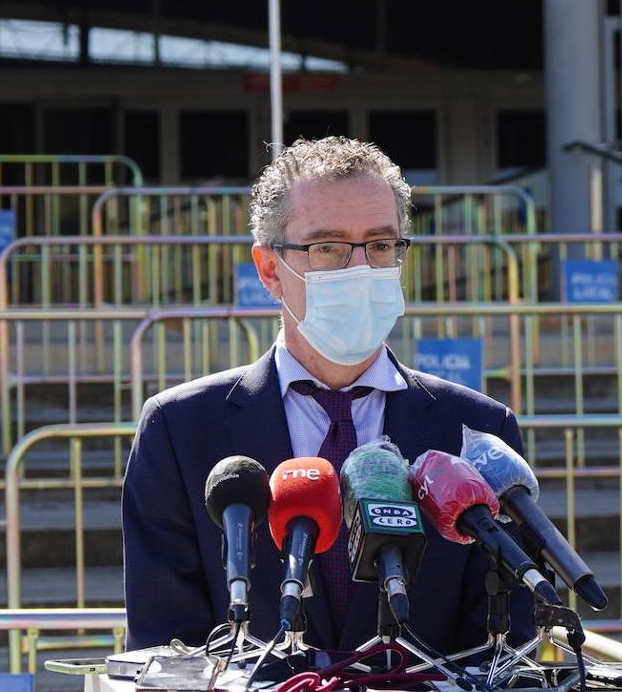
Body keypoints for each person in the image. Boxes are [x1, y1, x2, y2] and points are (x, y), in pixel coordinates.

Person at [122, 136, 533, 652]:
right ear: (271, 269)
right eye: (329, 247)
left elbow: (503, 641)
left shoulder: (477, 430)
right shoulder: (179, 430)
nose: (359, 268)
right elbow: (164, 643)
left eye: (381, 245)